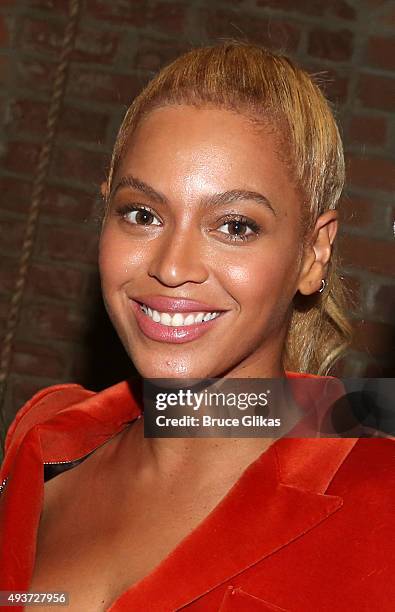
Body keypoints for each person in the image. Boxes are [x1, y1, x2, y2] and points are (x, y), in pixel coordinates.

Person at [0, 42, 393, 611]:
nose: (171, 266)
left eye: (234, 226)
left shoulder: (380, 498)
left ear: (313, 252)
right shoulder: (45, 442)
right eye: (142, 214)